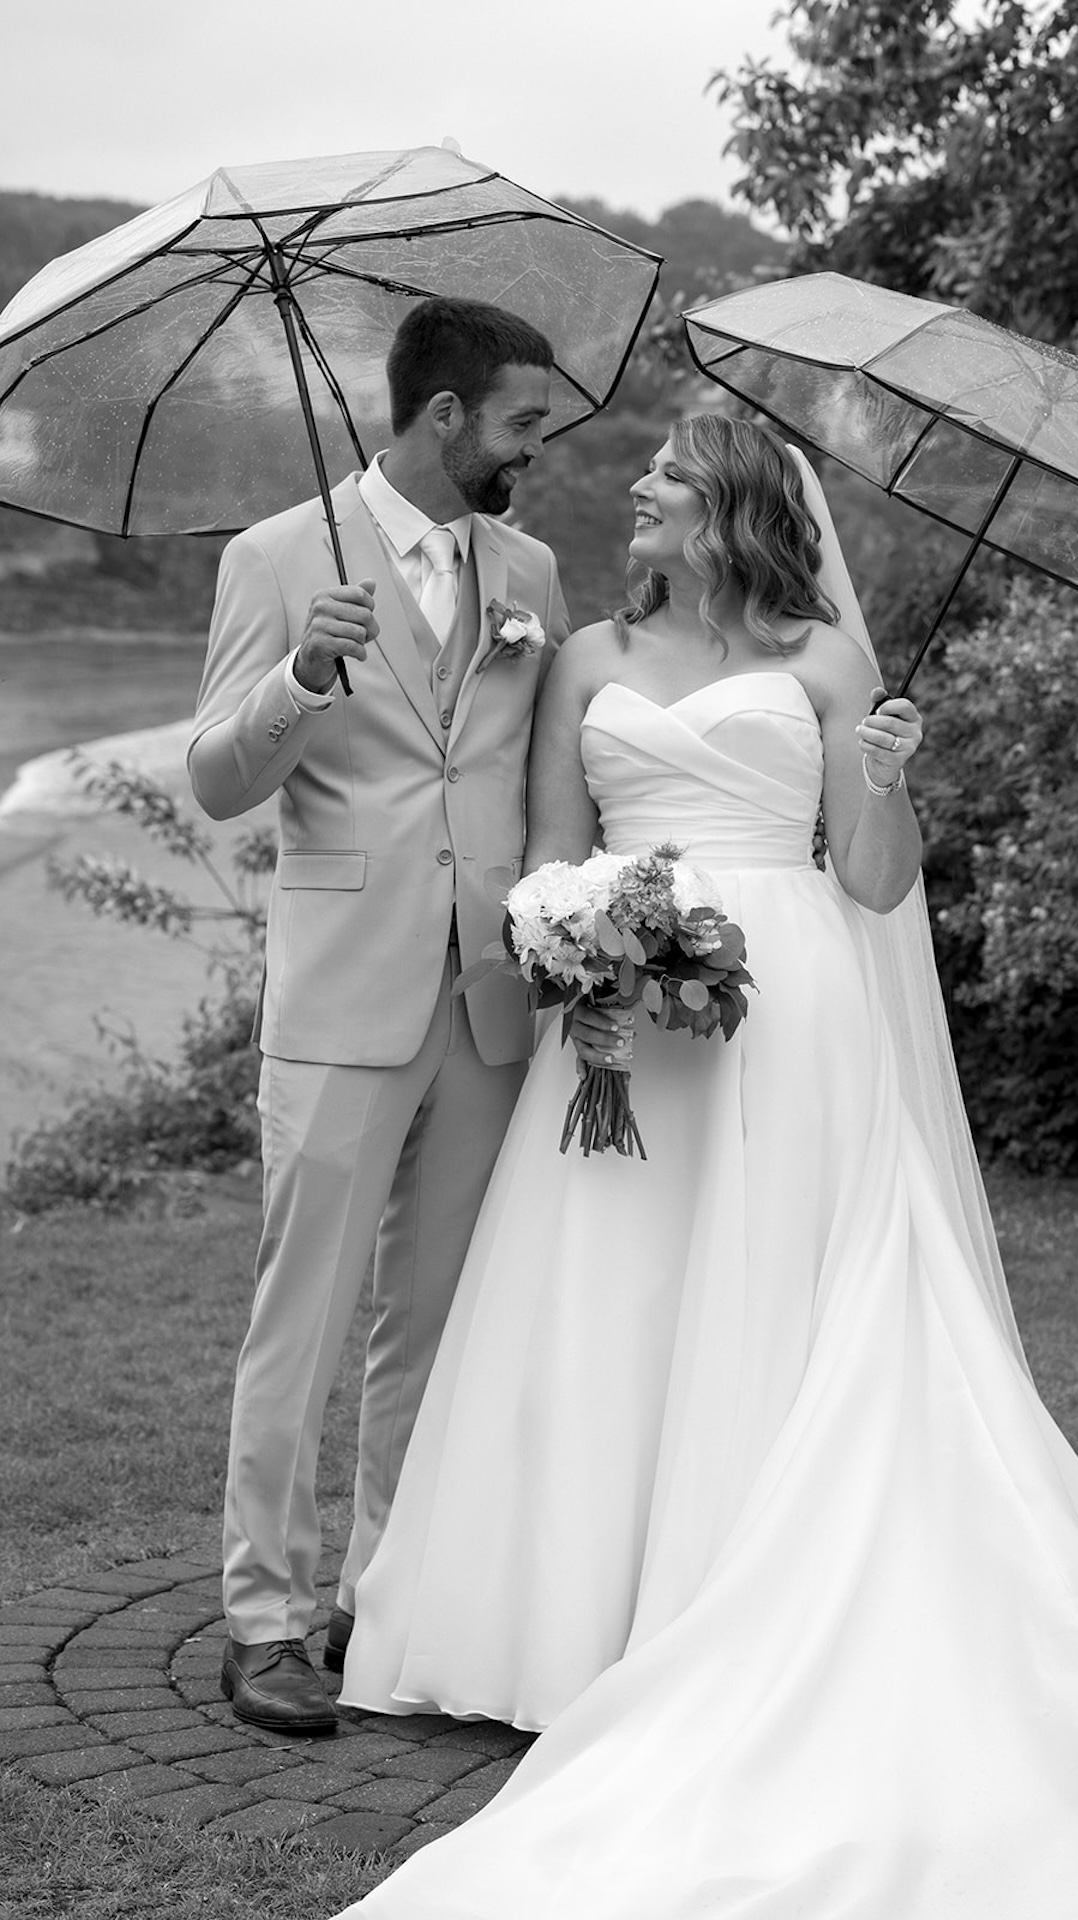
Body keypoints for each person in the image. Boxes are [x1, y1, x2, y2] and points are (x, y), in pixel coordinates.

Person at [334, 415, 1078, 1914]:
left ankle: (754, 1602)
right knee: (608, 1305)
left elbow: (872, 882)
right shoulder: (586, 658)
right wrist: (587, 936)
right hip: (623, 1037)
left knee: (773, 1303)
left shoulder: (833, 667)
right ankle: (574, 1626)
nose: (634, 490)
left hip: (794, 1028)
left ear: (732, 510)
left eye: (663, 477)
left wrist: (891, 773)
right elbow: (544, 854)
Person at [187, 296, 570, 1736]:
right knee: (303, 1320)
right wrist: (301, 680)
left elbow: (543, 767)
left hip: (490, 997)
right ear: (448, 416)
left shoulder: (529, 563)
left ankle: (383, 1593)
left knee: (431, 1324)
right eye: (524, 421)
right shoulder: (278, 561)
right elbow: (219, 779)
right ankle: (266, 1618)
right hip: (345, 994)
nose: (538, 445)